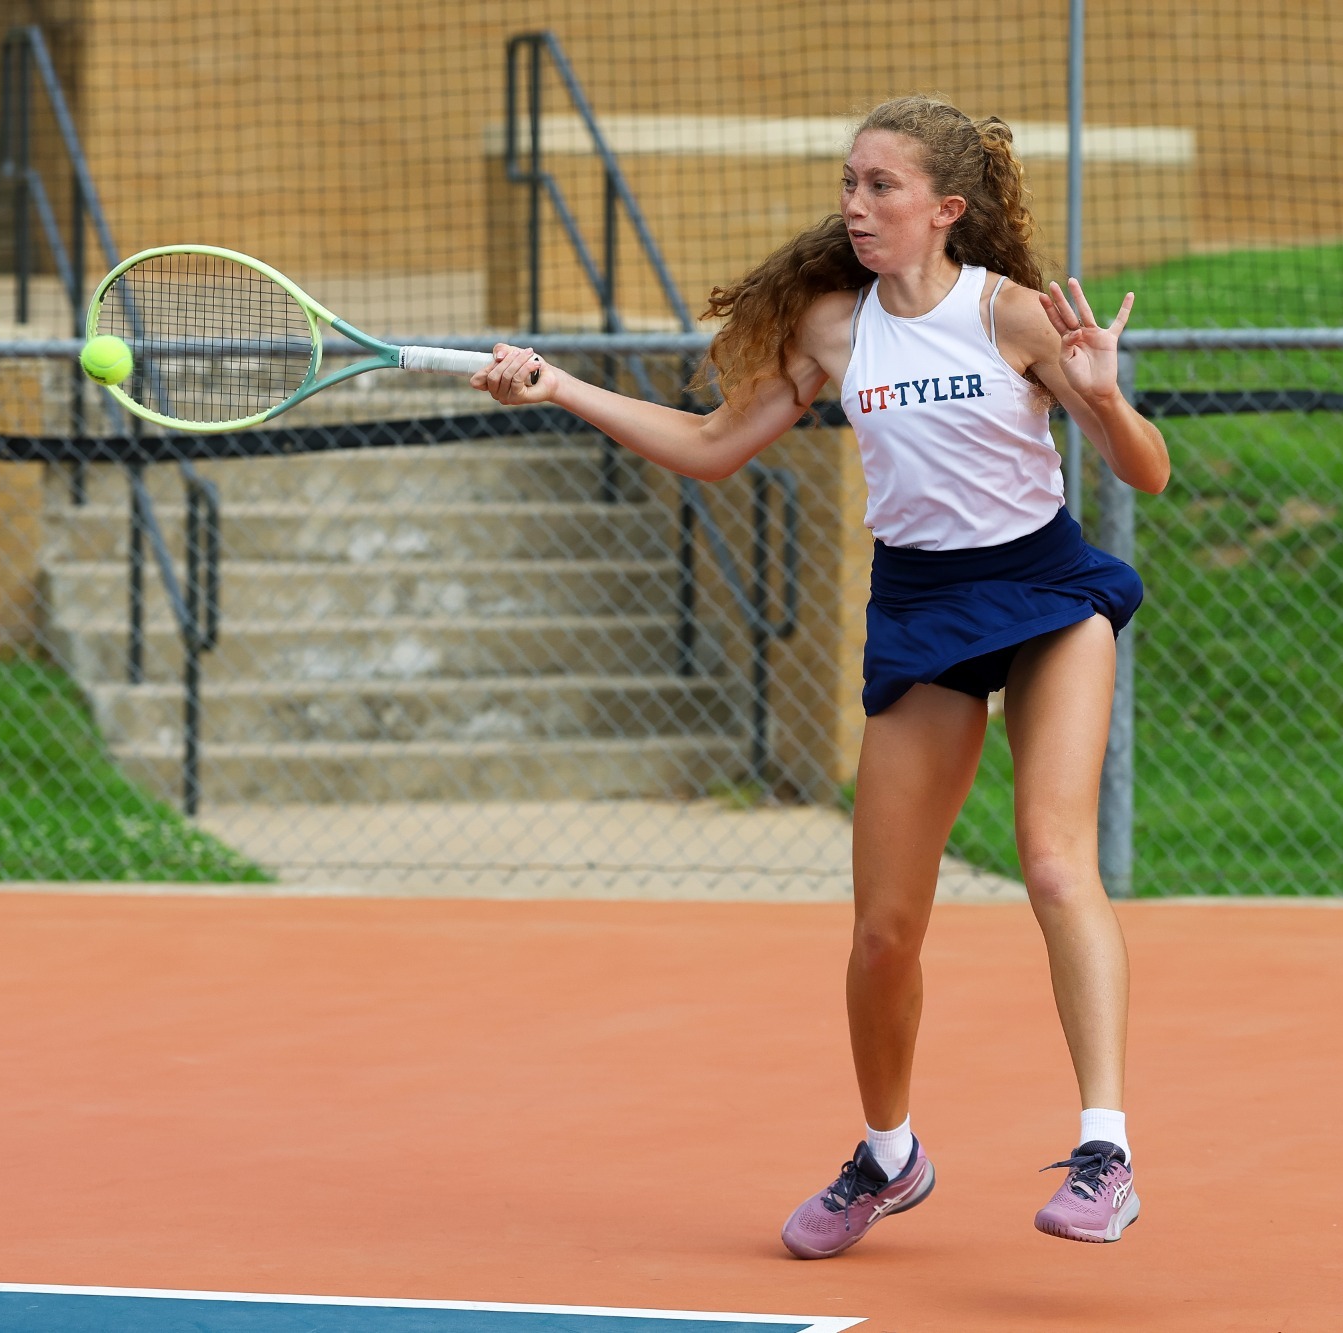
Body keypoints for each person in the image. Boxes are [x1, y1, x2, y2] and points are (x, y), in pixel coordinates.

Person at [473, 94, 1168, 1255]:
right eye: (849, 181)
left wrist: (1100, 394)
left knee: (1053, 861)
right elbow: (710, 447)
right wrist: (558, 386)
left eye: (880, 185)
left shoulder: (1011, 315)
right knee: (883, 932)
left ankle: (1105, 1150)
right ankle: (888, 1155)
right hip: (919, 610)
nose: (854, 203)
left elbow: (1143, 474)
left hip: (1045, 595)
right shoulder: (834, 331)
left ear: (945, 209)